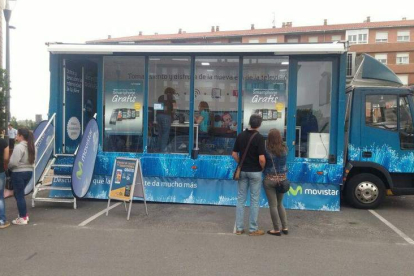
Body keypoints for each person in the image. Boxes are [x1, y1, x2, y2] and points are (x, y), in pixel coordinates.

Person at [232, 114, 266, 236]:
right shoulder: (260, 138)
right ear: (259, 124)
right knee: (254, 200)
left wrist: (241, 163)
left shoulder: (240, 135)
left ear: (250, 123)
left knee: (241, 199)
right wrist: (261, 168)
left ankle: (239, 228)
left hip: (243, 171)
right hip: (255, 172)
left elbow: (234, 154)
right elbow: (262, 159)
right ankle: (253, 229)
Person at [263, 129, 288, 236]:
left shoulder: (267, 149)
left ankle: (276, 229)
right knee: (280, 204)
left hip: (270, 180)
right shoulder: (285, 149)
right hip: (282, 180)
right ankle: (285, 227)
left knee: (273, 205)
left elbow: (263, 162)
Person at [8, 128, 35, 225]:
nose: (16, 136)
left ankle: (23, 217)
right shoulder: (32, 146)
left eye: (17, 135)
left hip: (18, 172)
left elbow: (13, 163)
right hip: (29, 172)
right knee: (19, 194)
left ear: (21, 136)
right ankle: (24, 215)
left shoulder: (19, 147)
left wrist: (9, 167)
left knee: (19, 195)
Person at [156, 87, 176, 152]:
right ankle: (163, 151)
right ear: (172, 92)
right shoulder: (172, 97)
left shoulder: (161, 97)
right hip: (166, 116)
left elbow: (158, 107)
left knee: (160, 134)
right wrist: (172, 113)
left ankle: (158, 150)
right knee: (165, 134)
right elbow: (174, 108)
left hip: (158, 116)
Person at [0, 133, 9, 229]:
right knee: (0, 197)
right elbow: (6, 158)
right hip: (0, 171)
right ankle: (2, 220)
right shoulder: (3, 142)